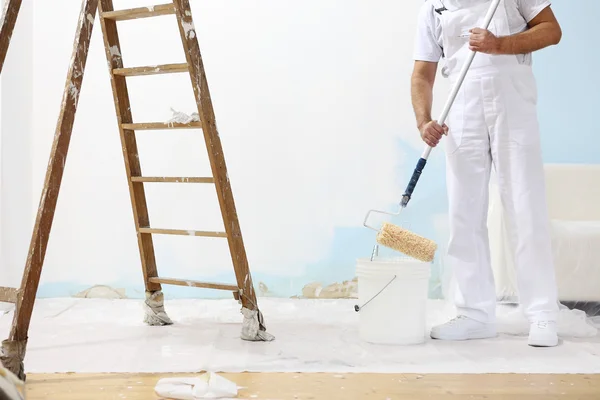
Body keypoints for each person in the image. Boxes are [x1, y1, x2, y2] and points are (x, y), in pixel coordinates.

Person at [410, 0, 563, 347]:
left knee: (525, 207)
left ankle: (542, 314)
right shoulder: (433, 8)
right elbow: (422, 73)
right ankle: (475, 313)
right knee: (464, 213)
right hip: (461, 107)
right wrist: (424, 121)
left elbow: (552, 30)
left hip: (513, 100)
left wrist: (500, 45)